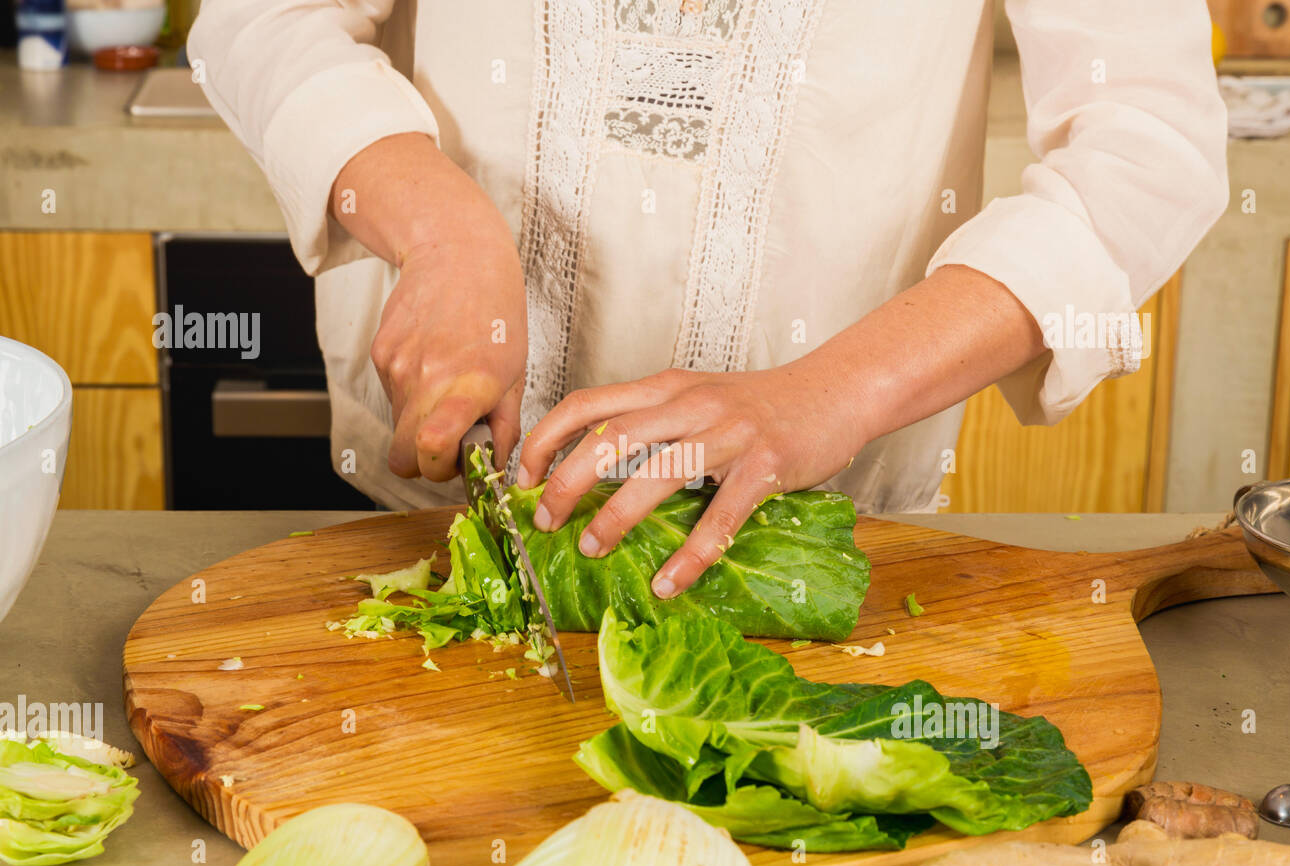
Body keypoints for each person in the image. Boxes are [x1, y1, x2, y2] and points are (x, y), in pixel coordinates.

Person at [190, 0, 1227, 598]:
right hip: (442, 517)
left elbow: (1148, 142)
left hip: (802, 546)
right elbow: (260, 18)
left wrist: (833, 391)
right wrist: (437, 226)